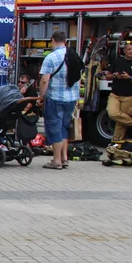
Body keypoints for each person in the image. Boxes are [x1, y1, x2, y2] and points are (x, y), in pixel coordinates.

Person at [37, 31, 80, 169]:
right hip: (71, 98)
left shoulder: (51, 57)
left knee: (54, 128)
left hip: (55, 97)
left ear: (52, 40)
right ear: (66, 41)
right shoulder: (74, 56)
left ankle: (56, 160)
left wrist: (41, 96)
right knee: (63, 127)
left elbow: (44, 80)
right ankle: (64, 157)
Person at [104, 41, 132, 142]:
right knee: (112, 113)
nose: (131, 51)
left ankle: (116, 144)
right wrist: (114, 75)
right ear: (124, 51)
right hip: (115, 95)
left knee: (121, 123)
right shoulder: (117, 61)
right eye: (128, 49)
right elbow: (107, 76)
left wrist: (129, 77)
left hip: (130, 97)